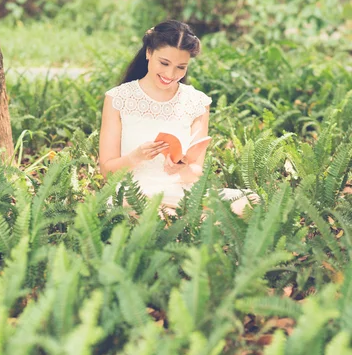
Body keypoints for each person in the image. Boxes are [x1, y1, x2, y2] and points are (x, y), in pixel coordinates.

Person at [99, 20, 257, 216]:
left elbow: (195, 171)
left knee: (251, 202)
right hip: (134, 195)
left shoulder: (196, 102)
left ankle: (181, 222)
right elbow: (107, 172)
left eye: (180, 67)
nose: (170, 74)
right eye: (164, 63)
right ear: (149, 53)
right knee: (153, 214)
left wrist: (181, 169)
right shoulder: (118, 98)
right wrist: (136, 157)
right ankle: (186, 223)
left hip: (179, 194)